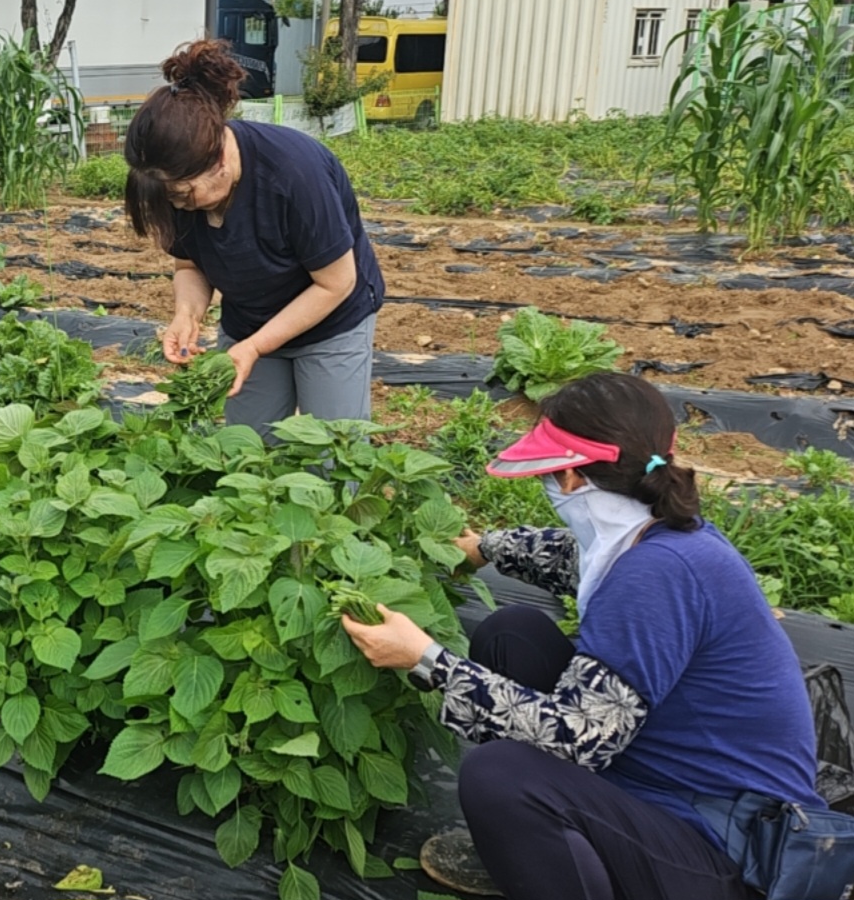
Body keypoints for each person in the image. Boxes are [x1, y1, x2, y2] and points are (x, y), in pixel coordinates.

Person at [342, 371, 822, 900]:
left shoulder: (654, 576)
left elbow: (578, 738)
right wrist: (485, 547)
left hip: (733, 850)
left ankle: (566, 869)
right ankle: (535, 851)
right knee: (512, 634)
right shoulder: (662, 530)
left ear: (570, 477)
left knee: (499, 776)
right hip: (678, 782)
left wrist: (425, 658)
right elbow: (579, 558)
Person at [123, 39, 385, 433]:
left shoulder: (295, 173)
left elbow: (336, 283)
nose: (177, 205)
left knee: (333, 447)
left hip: (331, 321)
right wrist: (187, 314)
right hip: (248, 321)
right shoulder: (173, 182)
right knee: (246, 446)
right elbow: (189, 264)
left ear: (220, 160)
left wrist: (257, 346)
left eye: (183, 194)